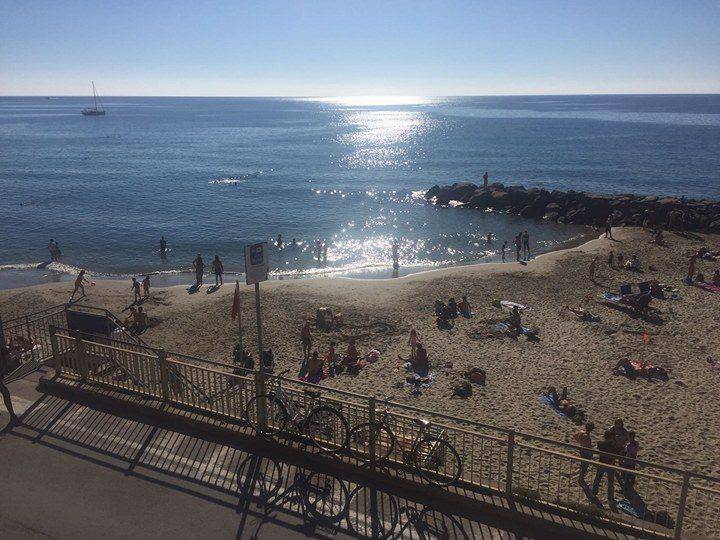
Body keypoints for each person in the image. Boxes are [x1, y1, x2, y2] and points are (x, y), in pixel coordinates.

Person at [592, 430, 618, 506]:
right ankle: (610, 497)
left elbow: (599, 442)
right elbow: (616, 452)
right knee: (610, 482)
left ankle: (594, 492)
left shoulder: (601, 444)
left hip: (602, 463)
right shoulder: (612, 446)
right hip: (610, 464)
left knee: (598, 478)